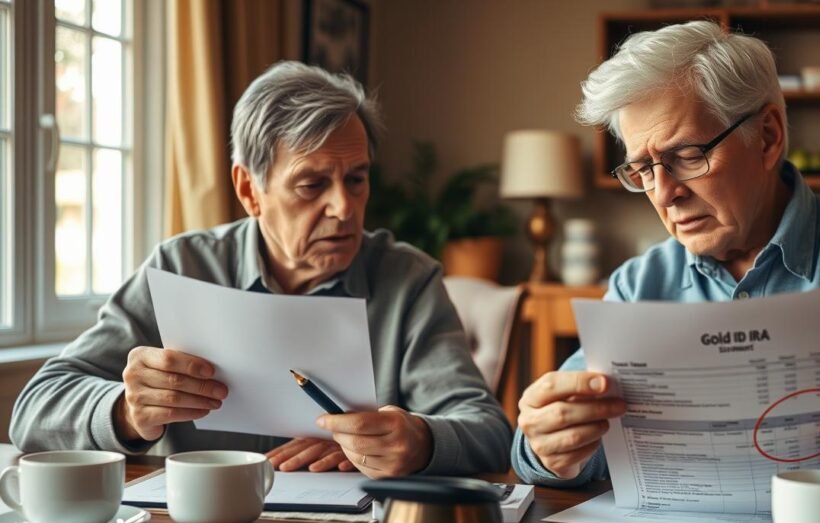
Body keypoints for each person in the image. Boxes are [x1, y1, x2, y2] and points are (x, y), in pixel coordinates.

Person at [511, 22, 820, 516]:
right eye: (642, 169)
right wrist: (547, 446)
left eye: (686, 155)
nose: (664, 194)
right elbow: (552, 451)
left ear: (768, 137)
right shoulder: (637, 285)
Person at [10, 61, 512, 479]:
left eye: (356, 179)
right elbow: (35, 408)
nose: (344, 207)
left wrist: (417, 440)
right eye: (312, 185)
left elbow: (489, 432)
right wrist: (126, 410)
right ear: (249, 190)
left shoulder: (409, 281)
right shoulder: (182, 268)